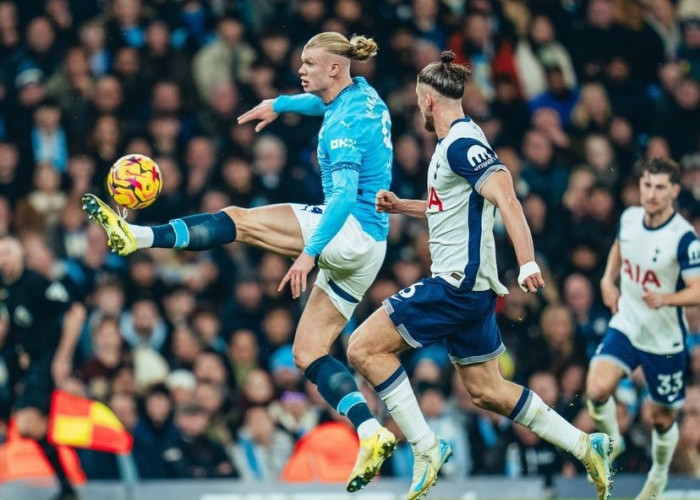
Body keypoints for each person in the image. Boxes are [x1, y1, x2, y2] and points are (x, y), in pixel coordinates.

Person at [82, 32, 398, 491]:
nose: (301, 69)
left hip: (347, 229)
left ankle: (137, 236)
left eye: (309, 62)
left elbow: (345, 196)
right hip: (372, 248)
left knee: (238, 220)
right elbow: (320, 104)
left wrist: (308, 254)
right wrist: (282, 104)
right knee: (308, 352)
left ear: (334, 67)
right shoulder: (363, 96)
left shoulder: (345, 125)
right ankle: (371, 432)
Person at [345, 51, 613, 500]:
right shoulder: (455, 143)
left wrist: (528, 261)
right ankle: (586, 445)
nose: (417, 108)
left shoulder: (461, 145)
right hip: (472, 292)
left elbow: (507, 196)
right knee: (488, 391)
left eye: (417, 100)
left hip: (455, 285)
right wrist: (403, 207)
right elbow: (446, 208)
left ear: (428, 100)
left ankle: (425, 447)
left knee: (362, 348)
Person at [586, 157, 700, 500]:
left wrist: (667, 299)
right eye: (647, 185)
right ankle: (613, 444)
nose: (651, 194)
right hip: (628, 321)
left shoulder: (684, 238)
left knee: (662, 419)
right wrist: (608, 280)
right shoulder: (629, 217)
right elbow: (620, 246)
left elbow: (697, 289)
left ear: (674, 191)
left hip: (664, 338)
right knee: (596, 389)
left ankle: (659, 474)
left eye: (660, 187)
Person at [0, 236, 86, 500]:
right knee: (31, 428)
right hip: (22, 363)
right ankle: (67, 486)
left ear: (21, 255)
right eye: (0, 254)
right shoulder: (4, 287)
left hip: (46, 358)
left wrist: (63, 357)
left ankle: (70, 430)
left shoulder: (35, 283)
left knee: (27, 424)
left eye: (9, 253)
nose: (5, 259)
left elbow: (76, 312)